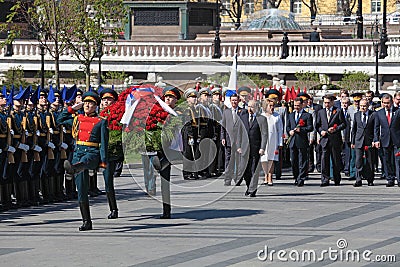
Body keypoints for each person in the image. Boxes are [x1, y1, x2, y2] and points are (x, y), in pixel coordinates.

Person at [59, 91, 108, 231]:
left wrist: (103, 162)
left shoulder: (101, 122)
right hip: (77, 154)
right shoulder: (77, 119)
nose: (87, 105)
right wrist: (73, 108)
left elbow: (104, 143)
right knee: (81, 189)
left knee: (85, 161)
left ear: (96, 106)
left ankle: (74, 168)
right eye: (85, 102)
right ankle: (87, 221)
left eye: (91, 103)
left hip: (92, 153)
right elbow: (60, 119)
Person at [100, 88, 122, 219]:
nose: (106, 102)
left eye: (109, 99)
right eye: (104, 99)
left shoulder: (120, 115)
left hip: (113, 152)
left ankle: (114, 209)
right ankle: (113, 208)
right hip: (99, 152)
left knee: (109, 179)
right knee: (107, 181)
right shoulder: (97, 116)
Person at [316, 95, 346, 186]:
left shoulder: (338, 111)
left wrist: (335, 129)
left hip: (335, 139)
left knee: (336, 159)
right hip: (324, 139)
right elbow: (317, 125)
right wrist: (321, 132)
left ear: (333, 102)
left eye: (328, 103)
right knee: (324, 159)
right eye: (325, 103)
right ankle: (325, 179)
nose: (326, 104)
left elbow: (344, 124)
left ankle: (336, 178)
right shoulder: (321, 112)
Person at [239, 100, 268, 197]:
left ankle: (253, 189)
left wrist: (262, 148)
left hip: (256, 148)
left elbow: (264, 134)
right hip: (244, 148)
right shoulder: (242, 118)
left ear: (256, 108)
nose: (249, 109)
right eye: (248, 106)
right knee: (245, 170)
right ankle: (249, 186)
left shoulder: (262, 119)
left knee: (254, 169)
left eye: (252, 107)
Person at [220, 93, 246, 186]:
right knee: (228, 160)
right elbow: (223, 126)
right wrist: (222, 138)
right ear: (230, 101)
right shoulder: (226, 112)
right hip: (228, 140)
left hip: (239, 141)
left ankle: (238, 179)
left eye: (235, 100)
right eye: (232, 100)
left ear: (238, 101)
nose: (234, 102)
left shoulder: (243, 112)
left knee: (238, 161)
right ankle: (227, 179)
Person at [287, 97, 313, 186]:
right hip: (293, 141)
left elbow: (310, 127)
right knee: (293, 160)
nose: (296, 107)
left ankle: (301, 178)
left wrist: (301, 129)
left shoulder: (307, 115)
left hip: (302, 140)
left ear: (302, 105)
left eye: (298, 105)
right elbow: (287, 126)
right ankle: (296, 176)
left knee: (303, 160)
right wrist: (289, 131)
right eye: (295, 105)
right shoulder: (290, 115)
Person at [373, 94, 397, 187]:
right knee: (387, 160)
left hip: (396, 140)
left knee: (397, 160)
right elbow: (376, 128)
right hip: (385, 140)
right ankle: (390, 178)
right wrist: (376, 140)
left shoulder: (397, 111)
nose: (386, 105)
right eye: (384, 103)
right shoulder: (379, 113)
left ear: (391, 102)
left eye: (388, 103)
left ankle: (398, 178)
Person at [351, 99, 376, 187]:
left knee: (370, 161)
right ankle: (358, 179)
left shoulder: (373, 114)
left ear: (368, 106)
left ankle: (370, 179)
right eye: (361, 106)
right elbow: (353, 130)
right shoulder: (357, 115)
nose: (363, 107)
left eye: (364, 106)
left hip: (369, 141)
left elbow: (375, 129)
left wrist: (375, 140)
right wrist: (353, 141)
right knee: (358, 161)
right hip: (358, 141)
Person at [261, 98, 283, 186]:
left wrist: (280, 142)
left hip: (273, 140)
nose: (272, 108)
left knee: (271, 159)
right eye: (270, 106)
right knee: (264, 159)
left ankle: (270, 176)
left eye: (273, 106)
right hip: (264, 141)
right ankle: (265, 175)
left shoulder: (277, 116)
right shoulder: (261, 116)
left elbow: (280, 130)